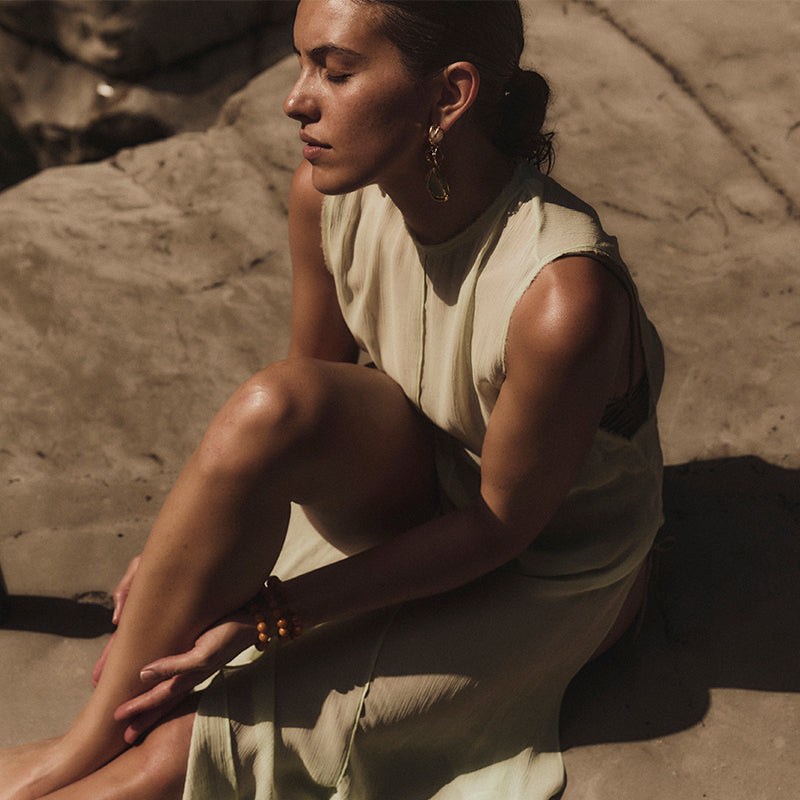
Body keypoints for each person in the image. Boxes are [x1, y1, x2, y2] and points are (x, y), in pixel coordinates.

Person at [0, 0, 665, 797]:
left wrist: (270, 614)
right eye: (302, 63)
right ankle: (77, 746)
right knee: (270, 406)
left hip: (542, 567)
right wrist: (193, 536)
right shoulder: (329, 195)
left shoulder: (562, 299)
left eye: (335, 70)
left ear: (448, 96)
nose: (296, 98)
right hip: (417, 488)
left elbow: (498, 532)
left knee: (187, 751)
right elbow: (308, 404)